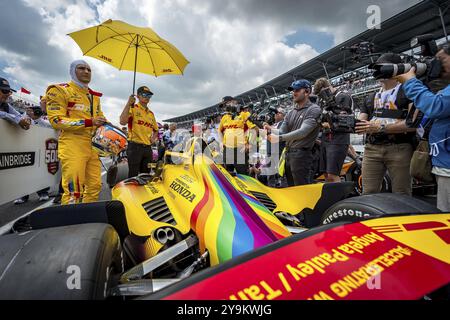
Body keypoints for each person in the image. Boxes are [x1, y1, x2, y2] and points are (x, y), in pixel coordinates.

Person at [395, 41, 450, 211]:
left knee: (445, 222)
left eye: (441, 59)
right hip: (444, 162)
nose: (437, 65)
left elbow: (435, 107)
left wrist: (410, 81)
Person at [46, 60, 107, 205]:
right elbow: (56, 120)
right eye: (81, 68)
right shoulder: (59, 90)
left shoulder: (95, 96)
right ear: (73, 71)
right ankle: (69, 224)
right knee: (75, 190)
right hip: (72, 143)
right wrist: (88, 122)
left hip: (92, 146)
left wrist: (108, 126)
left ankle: (85, 218)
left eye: (89, 69)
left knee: (94, 186)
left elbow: (100, 117)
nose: (86, 71)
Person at [355, 53, 417, 196]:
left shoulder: (408, 91)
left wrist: (380, 127)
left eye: (381, 68)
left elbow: (413, 123)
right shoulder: (370, 98)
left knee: (402, 194)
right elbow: (360, 124)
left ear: (395, 69)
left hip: (400, 147)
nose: (377, 71)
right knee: (368, 193)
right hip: (372, 148)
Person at [269, 80, 322, 186]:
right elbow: (282, 131)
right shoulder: (291, 112)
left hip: (302, 155)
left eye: (297, 90)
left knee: (302, 189)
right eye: (293, 90)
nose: (294, 93)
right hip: (288, 154)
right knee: (291, 188)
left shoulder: (314, 109)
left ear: (307, 92)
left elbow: (303, 132)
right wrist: (269, 131)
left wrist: (279, 138)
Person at [314, 77, 353, 183]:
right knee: (326, 174)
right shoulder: (323, 101)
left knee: (333, 174)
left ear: (327, 87)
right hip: (325, 139)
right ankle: (332, 197)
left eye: (321, 93)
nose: (321, 96)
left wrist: (329, 124)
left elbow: (347, 121)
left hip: (338, 139)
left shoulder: (343, 97)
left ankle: (340, 198)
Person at [120, 86, 159, 178]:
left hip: (147, 149)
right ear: (138, 96)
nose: (147, 97)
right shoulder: (133, 108)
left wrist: (153, 139)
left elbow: (156, 130)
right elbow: (122, 121)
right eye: (144, 94)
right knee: (133, 176)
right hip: (134, 147)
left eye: (149, 95)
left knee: (146, 175)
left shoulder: (151, 113)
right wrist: (128, 104)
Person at [219, 96, 257, 174]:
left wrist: (249, 144)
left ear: (233, 102)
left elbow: (255, 129)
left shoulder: (244, 114)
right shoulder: (224, 117)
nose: (224, 107)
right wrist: (221, 142)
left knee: (244, 175)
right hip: (227, 150)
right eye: (223, 106)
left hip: (240, 149)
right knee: (228, 175)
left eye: (226, 104)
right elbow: (220, 131)